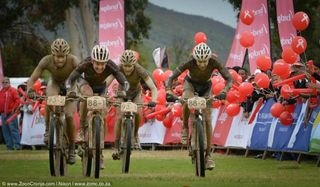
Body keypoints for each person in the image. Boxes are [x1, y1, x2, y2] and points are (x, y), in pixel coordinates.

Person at [166, 42, 233, 170]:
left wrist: (225, 91)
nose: (202, 64)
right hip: (190, 84)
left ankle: (208, 156)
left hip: (206, 87)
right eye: (199, 62)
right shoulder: (190, 61)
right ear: (195, 59)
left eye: (205, 61)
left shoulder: (214, 62)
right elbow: (171, 77)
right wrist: (168, 90)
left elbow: (229, 78)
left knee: (207, 120)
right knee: (186, 100)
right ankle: (185, 127)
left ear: (209, 58)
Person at [66, 44, 129, 169]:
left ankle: (99, 153)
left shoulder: (111, 65)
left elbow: (124, 82)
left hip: (101, 87)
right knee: (87, 95)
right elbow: (70, 79)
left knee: (103, 114)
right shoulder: (85, 63)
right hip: (86, 84)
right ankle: (83, 128)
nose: (100, 67)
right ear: (92, 60)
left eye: (102, 64)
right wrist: (69, 90)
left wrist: (124, 91)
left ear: (106, 62)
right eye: (97, 64)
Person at [27, 38, 79, 164]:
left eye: (63, 57)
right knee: (50, 99)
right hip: (55, 83)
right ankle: (47, 130)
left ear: (67, 55)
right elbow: (32, 78)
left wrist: (82, 89)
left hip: (70, 85)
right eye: (57, 56)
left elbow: (84, 77)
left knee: (69, 116)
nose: (60, 60)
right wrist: (30, 90)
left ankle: (72, 148)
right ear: (52, 54)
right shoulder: (46, 60)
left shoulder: (73, 60)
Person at [107, 50, 158, 160]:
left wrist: (154, 100)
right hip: (121, 94)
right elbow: (107, 82)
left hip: (135, 94)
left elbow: (153, 87)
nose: (127, 68)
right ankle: (116, 146)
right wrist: (104, 94)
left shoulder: (140, 69)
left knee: (139, 112)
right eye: (125, 65)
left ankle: (135, 135)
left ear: (134, 64)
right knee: (119, 117)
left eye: (130, 66)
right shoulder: (118, 68)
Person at [0, 77, 22, 150]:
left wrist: (14, 109)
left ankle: (17, 146)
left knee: (13, 129)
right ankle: (9, 146)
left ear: (9, 83)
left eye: (6, 82)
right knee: (5, 130)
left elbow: (17, 100)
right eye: (3, 82)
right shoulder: (1, 91)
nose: (4, 84)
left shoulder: (13, 90)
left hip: (11, 113)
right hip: (3, 113)